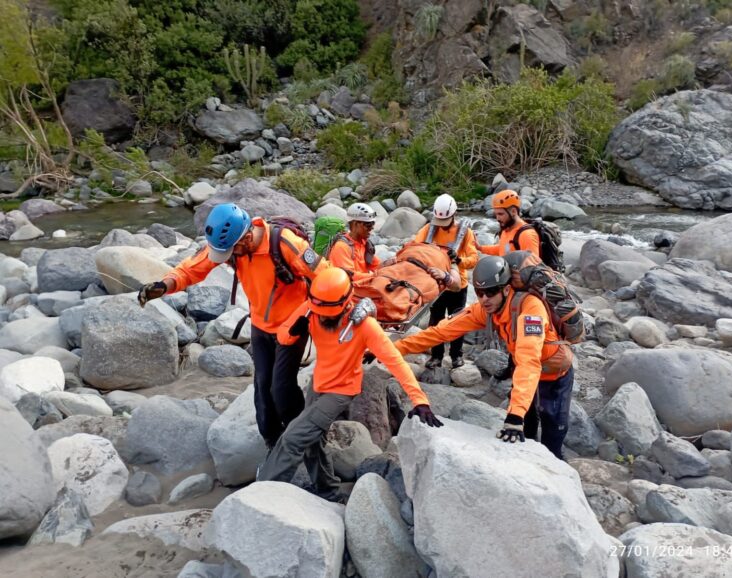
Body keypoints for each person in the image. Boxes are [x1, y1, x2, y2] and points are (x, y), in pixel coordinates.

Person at [138, 203, 329, 448]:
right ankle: (272, 441)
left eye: (231, 250)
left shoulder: (284, 243)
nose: (227, 257)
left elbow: (326, 276)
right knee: (262, 387)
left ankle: (302, 441)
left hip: (291, 327)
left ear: (247, 237)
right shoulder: (233, 247)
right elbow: (195, 267)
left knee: (281, 389)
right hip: (260, 325)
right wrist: (165, 285)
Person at [257, 267, 442, 501]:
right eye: (320, 312)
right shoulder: (311, 309)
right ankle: (328, 490)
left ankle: (261, 492)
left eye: (329, 314)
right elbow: (283, 335)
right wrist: (294, 332)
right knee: (313, 441)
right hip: (319, 383)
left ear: (345, 303)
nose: (323, 317)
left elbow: (395, 361)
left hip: (341, 391)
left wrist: (419, 400)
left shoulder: (364, 326)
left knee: (294, 437)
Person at [393, 256, 575, 460]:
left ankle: (555, 465)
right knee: (528, 423)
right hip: (525, 370)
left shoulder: (531, 308)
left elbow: (529, 360)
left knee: (553, 429)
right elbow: (440, 333)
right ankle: (528, 457)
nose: (484, 299)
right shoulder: (486, 310)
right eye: (479, 293)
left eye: (491, 292)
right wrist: (392, 349)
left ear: (506, 289)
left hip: (553, 374)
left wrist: (514, 416)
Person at [413, 193, 479, 369]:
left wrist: (458, 259)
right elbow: (415, 246)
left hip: (458, 285)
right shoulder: (428, 229)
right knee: (435, 320)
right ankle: (436, 356)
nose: (441, 226)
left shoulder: (465, 233)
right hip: (437, 284)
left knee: (458, 320)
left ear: (454, 215)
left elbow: (473, 259)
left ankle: (456, 355)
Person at [478, 189, 540, 258]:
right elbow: (502, 249)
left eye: (500, 214)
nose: (497, 218)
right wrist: (480, 248)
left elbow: (533, 266)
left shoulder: (527, 235)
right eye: (496, 214)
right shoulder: (506, 229)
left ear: (513, 211)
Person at [327, 203, 381, 281]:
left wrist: (391, 264)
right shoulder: (342, 247)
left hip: (362, 285)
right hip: (349, 289)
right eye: (368, 225)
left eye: (373, 224)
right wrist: (375, 276)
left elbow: (377, 266)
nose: (372, 228)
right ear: (355, 224)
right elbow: (349, 276)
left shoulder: (365, 243)